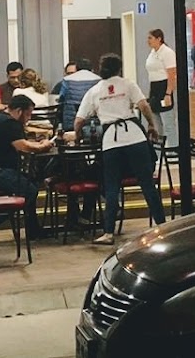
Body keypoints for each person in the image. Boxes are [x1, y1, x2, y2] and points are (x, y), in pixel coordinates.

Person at [74, 53, 167, 245]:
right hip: (135, 136)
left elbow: (79, 120)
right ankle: (162, 227)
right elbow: (144, 106)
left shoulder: (95, 90)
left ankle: (108, 233)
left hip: (111, 141)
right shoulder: (128, 84)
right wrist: (151, 125)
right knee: (147, 185)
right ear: (119, 69)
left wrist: (77, 136)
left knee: (111, 186)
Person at [0, 94, 53, 249]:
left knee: (30, 183)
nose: (28, 119)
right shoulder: (9, 123)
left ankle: (33, 229)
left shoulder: (0, 118)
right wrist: (43, 146)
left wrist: (37, 144)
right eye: (28, 114)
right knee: (29, 190)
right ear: (19, 111)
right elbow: (23, 147)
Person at [145, 29, 179, 148]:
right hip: (154, 88)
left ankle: (174, 150)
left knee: (168, 123)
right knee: (156, 122)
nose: (148, 41)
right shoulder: (152, 53)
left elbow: (172, 74)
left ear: (159, 39)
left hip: (163, 88)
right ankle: (159, 151)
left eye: (150, 38)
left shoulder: (167, 52)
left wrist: (168, 93)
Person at [56, 59, 101, 142]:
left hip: (71, 122)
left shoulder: (67, 80)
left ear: (76, 69)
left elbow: (61, 99)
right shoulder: (99, 80)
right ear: (92, 69)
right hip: (94, 122)